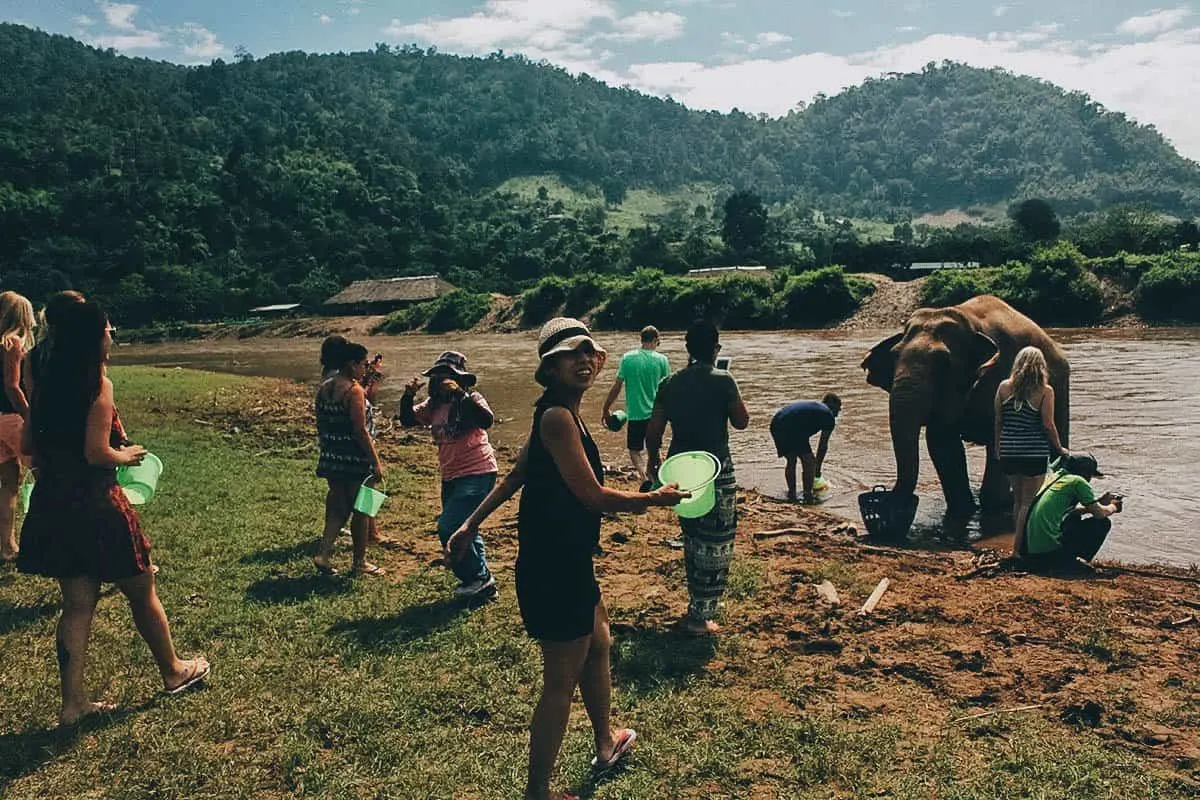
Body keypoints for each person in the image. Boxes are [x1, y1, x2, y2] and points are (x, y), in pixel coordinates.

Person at [447, 317, 685, 800]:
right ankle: (538, 793)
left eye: (588, 352)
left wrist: (471, 523)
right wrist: (653, 499)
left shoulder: (557, 415)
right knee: (559, 681)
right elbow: (593, 497)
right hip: (554, 567)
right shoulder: (556, 417)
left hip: (567, 560)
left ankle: (604, 741)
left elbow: (516, 475)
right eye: (568, 354)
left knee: (599, 643)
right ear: (549, 368)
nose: (582, 360)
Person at [17, 301, 209, 724]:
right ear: (92, 337)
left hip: (54, 500)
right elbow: (96, 452)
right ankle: (174, 671)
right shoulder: (96, 384)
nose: (113, 332)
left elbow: (29, 444)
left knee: (77, 604)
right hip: (98, 503)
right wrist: (127, 454)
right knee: (143, 591)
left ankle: (72, 705)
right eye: (108, 328)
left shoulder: (40, 378)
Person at [646, 320, 750, 636]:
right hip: (716, 469)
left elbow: (654, 430)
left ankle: (696, 608)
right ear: (716, 349)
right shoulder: (724, 380)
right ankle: (700, 617)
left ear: (687, 349)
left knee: (692, 538)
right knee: (716, 543)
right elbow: (742, 422)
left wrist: (653, 462)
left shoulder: (669, 383)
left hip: (681, 470)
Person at [399, 351, 500, 600]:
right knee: (467, 527)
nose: (442, 381)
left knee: (450, 527)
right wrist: (408, 395)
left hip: (478, 470)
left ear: (460, 379)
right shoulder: (433, 406)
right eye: (438, 377)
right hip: (451, 475)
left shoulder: (471, 398)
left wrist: (458, 393)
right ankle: (481, 579)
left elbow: (487, 420)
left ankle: (477, 577)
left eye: (448, 376)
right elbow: (407, 420)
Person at [312, 336, 386, 576]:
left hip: (332, 456)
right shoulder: (354, 391)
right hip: (356, 457)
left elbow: (321, 424)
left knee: (338, 508)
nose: (365, 369)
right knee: (364, 507)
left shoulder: (324, 388)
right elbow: (360, 429)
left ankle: (323, 554)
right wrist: (375, 461)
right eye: (364, 364)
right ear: (352, 364)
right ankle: (360, 562)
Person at [994, 346, 1068, 556]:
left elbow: (999, 421)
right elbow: (1048, 424)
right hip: (1033, 452)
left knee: (1017, 501)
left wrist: (998, 450)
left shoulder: (1002, 388)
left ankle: (1015, 543)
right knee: (1028, 502)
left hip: (1008, 451)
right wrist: (1060, 448)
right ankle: (1019, 550)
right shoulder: (1045, 391)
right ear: (1041, 367)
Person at [1021, 453, 1120, 568]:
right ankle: (1071, 561)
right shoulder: (1077, 481)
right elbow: (1100, 514)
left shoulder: (1055, 477)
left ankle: (1066, 558)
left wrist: (1097, 502)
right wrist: (1114, 507)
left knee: (1074, 516)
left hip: (1031, 552)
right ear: (1085, 473)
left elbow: (1068, 511)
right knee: (1103, 523)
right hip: (1049, 554)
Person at [602, 326, 670, 491]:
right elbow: (668, 388)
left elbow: (617, 386)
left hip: (636, 414)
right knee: (654, 450)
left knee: (634, 450)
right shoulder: (662, 360)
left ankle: (644, 476)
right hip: (656, 415)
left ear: (641, 339)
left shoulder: (628, 358)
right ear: (655, 340)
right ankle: (658, 481)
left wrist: (606, 408)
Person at [0, 290, 36, 562]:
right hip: (11, 419)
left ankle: (8, 545)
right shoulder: (12, 343)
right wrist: (30, 413)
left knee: (10, 481)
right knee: (47, 476)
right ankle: (52, 541)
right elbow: (12, 386)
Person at [769, 393, 841, 504]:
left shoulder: (816, 409)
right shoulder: (828, 415)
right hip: (792, 427)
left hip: (777, 423)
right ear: (833, 406)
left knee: (791, 460)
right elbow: (823, 446)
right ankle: (808, 495)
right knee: (809, 462)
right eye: (838, 409)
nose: (837, 414)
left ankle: (792, 494)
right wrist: (817, 470)